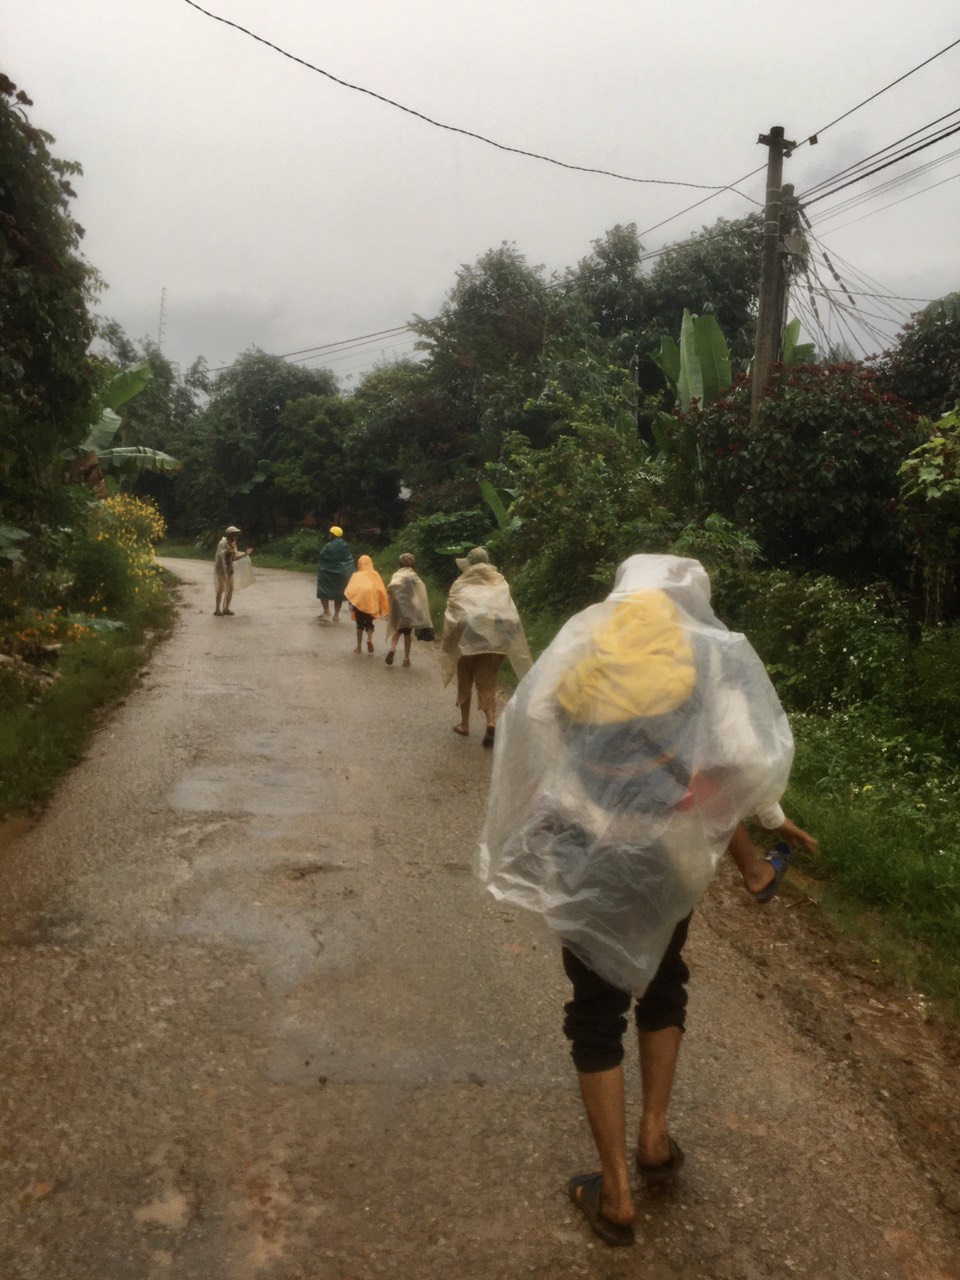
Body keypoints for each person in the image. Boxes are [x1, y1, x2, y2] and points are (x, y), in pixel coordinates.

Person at [478, 554, 817, 1247]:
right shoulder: (709, 657)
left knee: (596, 1012)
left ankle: (617, 1195)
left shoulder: (587, 640)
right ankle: (655, 1138)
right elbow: (742, 758)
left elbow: (535, 717)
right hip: (668, 856)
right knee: (663, 981)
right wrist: (773, 821)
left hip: (583, 849)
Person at [441, 547, 532, 747]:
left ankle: (464, 725)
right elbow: (508, 612)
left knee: (465, 680)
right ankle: (490, 722)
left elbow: (454, 614)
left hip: (468, 641)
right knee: (488, 682)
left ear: (470, 563)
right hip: (495, 641)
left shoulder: (462, 583)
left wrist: (451, 640)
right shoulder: (499, 582)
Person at [385, 553, 433, 668]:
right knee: (407, 633)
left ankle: (392, 648)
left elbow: (390, 587)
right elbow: (421, 589)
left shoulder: (397, 574)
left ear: (400, 563)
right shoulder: (413, 575)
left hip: (399, 607)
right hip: (411, 607)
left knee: (397, 629)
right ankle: (406, 658)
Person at [344, 554, 389, 654]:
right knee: (369, 623)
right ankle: (369, 639)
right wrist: (381, 603)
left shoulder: (356, 575)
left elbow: (351, 590)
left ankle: (359, 647)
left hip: (359, 604)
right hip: (371, 603)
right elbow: (380, 589)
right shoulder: (375, 574)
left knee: (359, 625)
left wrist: (351, 603)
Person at [316, 526, 355, 622]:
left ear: (333, 535)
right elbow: (349, 560)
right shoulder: (345, 545)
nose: (329, 535)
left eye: (330, 533)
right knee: (339, 594)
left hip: (327, 573)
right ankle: (336, 615)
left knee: (323, 591)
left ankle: (326, 611)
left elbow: (322, 556)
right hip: (341, 574)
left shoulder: (329, 546)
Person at [213, 525, 253, 617]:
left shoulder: (233, 544)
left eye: (236, 536)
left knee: (231, 588)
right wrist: (229, 550)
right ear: (229, 535)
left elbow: (234, 558)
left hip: (229, 569)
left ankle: (226, 608)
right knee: (221, 589)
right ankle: (217, 609)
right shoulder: (222, 543)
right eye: (234, 535)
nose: (235, 537)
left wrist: (245, 554)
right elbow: (220, 554)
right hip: (221, 569)